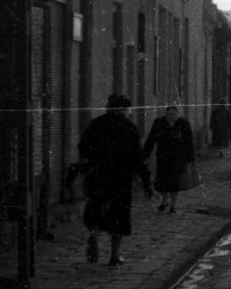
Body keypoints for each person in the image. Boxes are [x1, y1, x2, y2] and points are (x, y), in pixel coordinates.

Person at [78, 94, 150, 266]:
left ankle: (94, 236)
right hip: (121, 179)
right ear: (125, 110)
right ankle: (114, 255)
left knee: (96, 210)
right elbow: (138, 157)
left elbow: (82, 147)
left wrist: (95, 158)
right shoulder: (129, 128)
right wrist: (146, 181)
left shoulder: (95, 124)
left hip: (98, 177)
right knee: (119, 216)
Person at [144, 104, 197, 213]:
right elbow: (151, 139)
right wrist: (145, 155)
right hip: (163, 158)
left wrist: (190, 158)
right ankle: (164, 202)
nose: (171, 116)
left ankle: (173, 205)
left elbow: (189, 142)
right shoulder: (158, 123)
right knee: (164, 182)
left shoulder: (184, 124)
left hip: (178, 158)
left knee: (175, 183)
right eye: (168, 114)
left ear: (178, 114)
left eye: (173, 114)